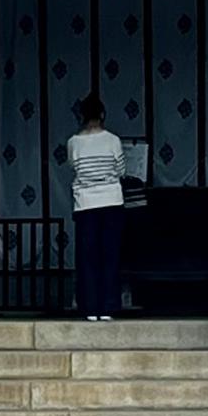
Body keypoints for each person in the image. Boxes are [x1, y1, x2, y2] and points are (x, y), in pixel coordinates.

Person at [65, 92, 130, 321]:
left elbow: (75, 167)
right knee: (110, 255)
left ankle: (90, 307)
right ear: (102, 114)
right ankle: (109, 306)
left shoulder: (74, 142)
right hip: (111, 201)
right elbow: (121, 170)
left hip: (85, 204)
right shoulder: (113, 140)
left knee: (88, 256)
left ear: (82, 115)